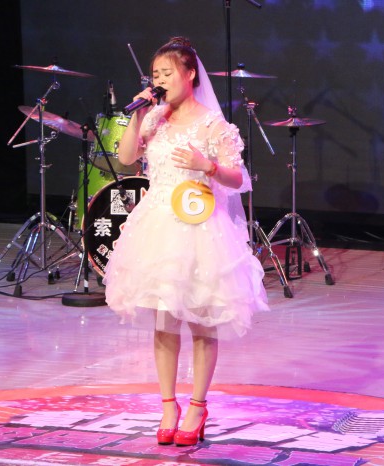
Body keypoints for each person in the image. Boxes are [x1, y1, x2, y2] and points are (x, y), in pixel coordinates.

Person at [102, 36, 269, 447]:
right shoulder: (154, 118)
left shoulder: (213, 125)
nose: (159, 80)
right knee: (163, 321)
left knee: (202, 322)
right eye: (154, 74)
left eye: (166, 73)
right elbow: (126, 158)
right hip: (158, 228)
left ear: (190, 74)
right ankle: (167, 407)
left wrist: (206, 165)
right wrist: (139, 114)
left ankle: (197, 406)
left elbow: (238, 179)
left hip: (200, 229)